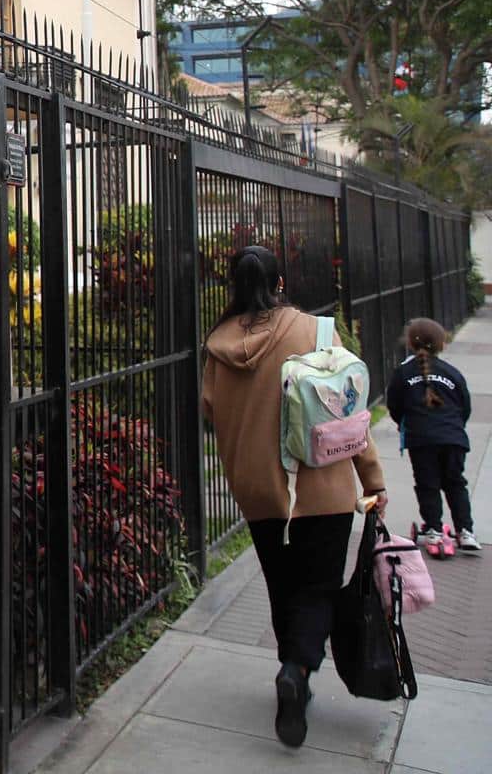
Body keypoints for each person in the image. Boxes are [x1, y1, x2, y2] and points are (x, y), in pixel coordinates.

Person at [202, 245, 386, 749]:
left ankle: (293, 675)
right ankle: (296, 669)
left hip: (260, 491)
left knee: (282, 587)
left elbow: (210, 412)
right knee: (318, 588)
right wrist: (373, 480)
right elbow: (348, 412)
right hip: (322, 489)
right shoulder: (316, 333)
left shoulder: (218, 345)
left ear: (235, 286)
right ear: (279, 283)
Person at [386, 317, 477, 551]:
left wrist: (404, 423)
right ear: (442, 344)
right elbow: (465, 406)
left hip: (421, 439)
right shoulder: (452, 373)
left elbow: (394, 405)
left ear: (410, 343)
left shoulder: (403, 373)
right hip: (453, 438)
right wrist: (455, 427)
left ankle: (434, 529)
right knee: (456, 483)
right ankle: (465, 531)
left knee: (428, 484)